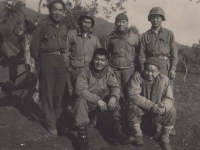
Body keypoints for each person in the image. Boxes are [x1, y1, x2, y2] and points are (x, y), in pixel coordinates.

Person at [74, 48, 134, 150]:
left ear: (106, 62)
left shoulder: (108, 71)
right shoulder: (85, 70)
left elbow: (115, 87)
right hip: (88, 103)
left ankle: (117, 132)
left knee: (115, 100)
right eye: (97, 59)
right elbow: (80, 90)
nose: (99, 62)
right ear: (93, 59)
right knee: (80, 101)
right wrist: (97, 100)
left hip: (100, 103)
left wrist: (114, 97)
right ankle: (83, 139)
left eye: (102, 60)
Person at [30, 0, 68, 136]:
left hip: (61, 61)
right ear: (50, 10)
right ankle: (51, 124)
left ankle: (56, 119)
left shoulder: (64, 27)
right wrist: (40, 64)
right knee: (47, 92)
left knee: (59, 93)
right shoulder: (42, 25)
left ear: (63, 12)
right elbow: (34, 47)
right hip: (47, 60)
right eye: (55, 9)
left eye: (60, 10)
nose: (57, 12)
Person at [126, 57, 176, 150]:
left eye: (153, 71)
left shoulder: (164, 80)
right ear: (143, 69)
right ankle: (137, 134)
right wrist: (151, 105)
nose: (149, 73)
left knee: (171, 110)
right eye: (147, 70)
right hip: (142, 109)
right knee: (131, 105)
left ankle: (165, 136)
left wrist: (164, 107)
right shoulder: (136, 76)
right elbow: (133, 95)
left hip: (157, 110)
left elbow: (169, 98)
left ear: (158, 71)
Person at [105, 13, 139, 104]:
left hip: (129, 69)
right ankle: (116, 116)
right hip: (114, 69)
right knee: (115, 91)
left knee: (129, 92)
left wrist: (137, 66)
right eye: (119, 22)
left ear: (127, 23)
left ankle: (129, 114)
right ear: (115, 23)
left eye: (123, 22)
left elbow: (139, 52)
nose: (121, 24)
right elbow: (105, 53)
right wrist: (107, 67)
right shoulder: (110, 37)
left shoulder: (134, 37)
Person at [139, 7, 178, 84]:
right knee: (149, 90)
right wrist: (143, 69)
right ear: (150, 19)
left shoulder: (169, 34)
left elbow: (174, 53)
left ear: (162, 19)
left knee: (166, 89)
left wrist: (173, 68)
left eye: (158, 18)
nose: (155, 20)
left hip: (164, 66)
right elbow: (141, 55)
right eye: (153, 18)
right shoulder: (145, 35)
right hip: (150, 66)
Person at [66, 14, 101, 89]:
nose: (86, 25)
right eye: (85, 22)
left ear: (91, 25)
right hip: (75, 70)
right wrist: (68, 68)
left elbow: (99, 54)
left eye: (89, 23)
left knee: (89, 91)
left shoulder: (94, 38)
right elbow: (65, 52)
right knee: (76, 92)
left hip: (90, 70)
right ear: (80, 22)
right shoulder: (71, 34)